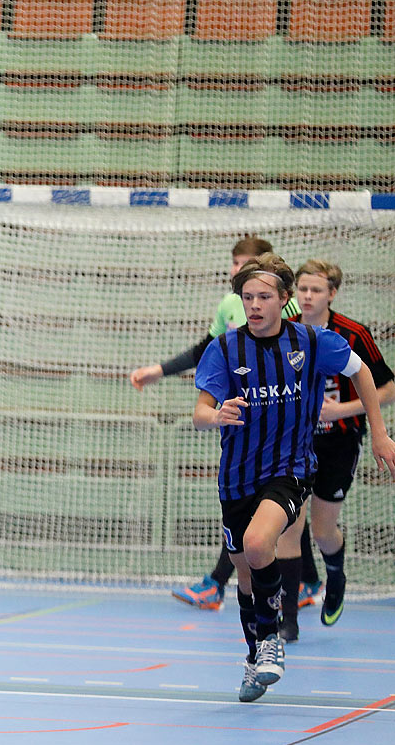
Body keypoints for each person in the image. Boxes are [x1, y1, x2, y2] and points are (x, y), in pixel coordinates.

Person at [193, 253, 394, 702]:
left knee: (260, 543)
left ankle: (272, 639)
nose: (255, 305)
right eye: (247, 297)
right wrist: (216, 414)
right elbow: (200, 412)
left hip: (290, 469)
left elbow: (362, 372)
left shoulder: (312, 341)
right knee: (245, 579)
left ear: (284, 300)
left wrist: (379, 434)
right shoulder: (225, 348)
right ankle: (253, 657)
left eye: (265, 296)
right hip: (236, 477)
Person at [130, 235, 320, 612]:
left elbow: (307, 349)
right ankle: (293, 587)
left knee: (275, 522)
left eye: (243, 263)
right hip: (244, 438)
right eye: (234, 265)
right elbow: (207, 348)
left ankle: (254, 594)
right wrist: (161, 370)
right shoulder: (231, 309)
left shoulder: (291, 312)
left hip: (288, 433)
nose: (236, 271)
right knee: (260, 522)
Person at [292, 259, 395, 628]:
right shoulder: (285, 329)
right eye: (302, 289)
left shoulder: (353, 333)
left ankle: (335, 574)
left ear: (331, 294)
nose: (307, 296)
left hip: (340, 441)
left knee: (322, 530)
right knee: (289, 520)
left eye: (315, 290)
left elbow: (388, 387)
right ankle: (289, 608)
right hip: (295, 442)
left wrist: (342, 411)